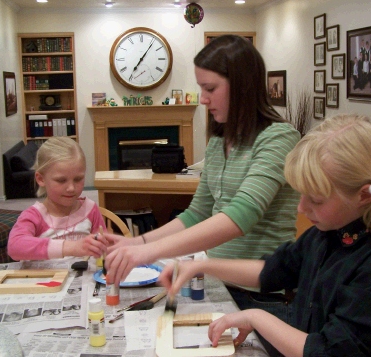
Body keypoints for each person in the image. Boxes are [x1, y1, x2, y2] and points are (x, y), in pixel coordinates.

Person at [160, 113, 371, 357]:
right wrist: (201, 265)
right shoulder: (327, 235)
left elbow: (327, 351)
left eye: (316, 200)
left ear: (364, 195)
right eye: (301, 195)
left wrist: (256, 317)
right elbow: (271, 270)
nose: (301, 208)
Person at [105, 35, 301, 311]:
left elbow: (241, 215)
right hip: (220, 283)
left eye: (210, 88)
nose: (203, 99)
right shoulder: (219, 141)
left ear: (243, 86)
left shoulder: (278, 138)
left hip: (263, 294)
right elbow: (197, 213)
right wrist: (137, 242)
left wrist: (147, 251)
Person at [7, 137, 108, 261]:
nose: (71, 188)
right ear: (41, 179)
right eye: (61, 180)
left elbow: (104, 250)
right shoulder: (34, 216)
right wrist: (71, 247)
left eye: (78, 179)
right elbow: (15, 247)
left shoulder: (90, 209)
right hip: (46, 279)